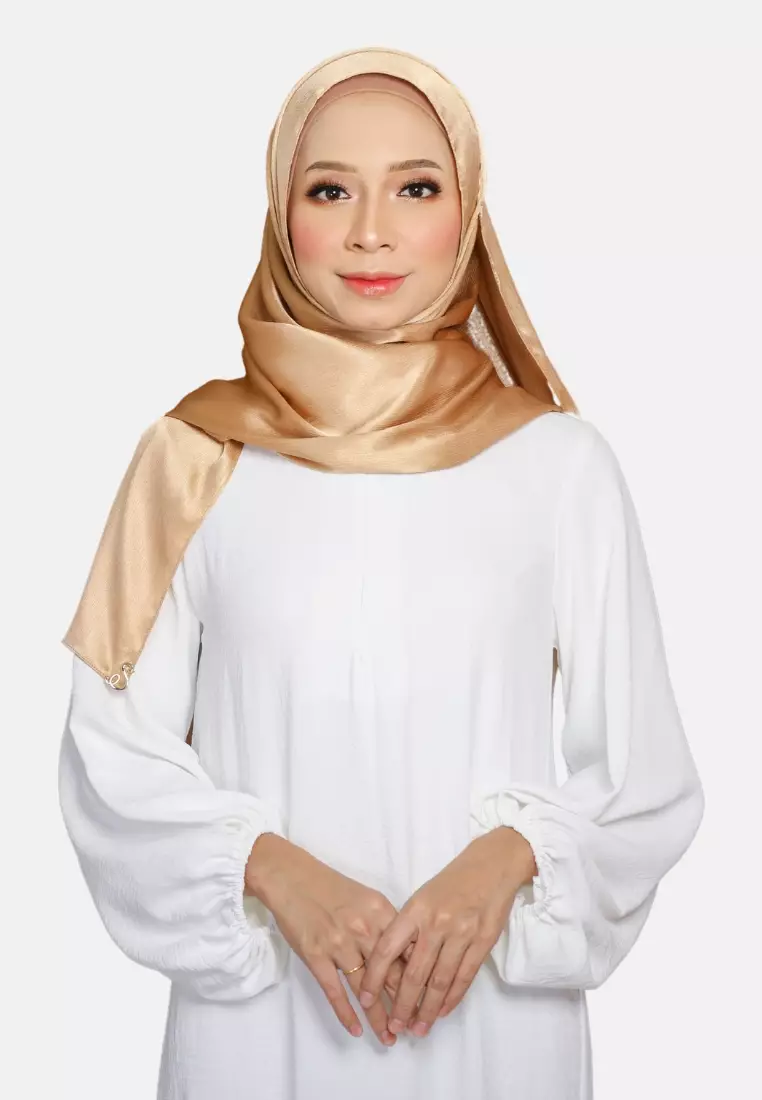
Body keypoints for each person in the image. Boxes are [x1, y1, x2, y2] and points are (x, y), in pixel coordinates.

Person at [58, 46, 705, 1100]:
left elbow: (645, 778)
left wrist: (510, 859)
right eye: (329, 190)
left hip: (493, 1026)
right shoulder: (191, 458)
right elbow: (108, 756)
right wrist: (269, 868)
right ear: (282, 213)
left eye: (416, 188)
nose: (371, 230)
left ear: (468, 212)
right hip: (258, 1028)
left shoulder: (557, 463)